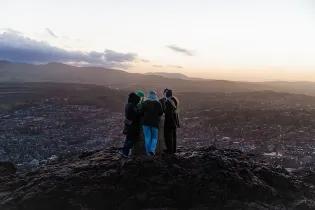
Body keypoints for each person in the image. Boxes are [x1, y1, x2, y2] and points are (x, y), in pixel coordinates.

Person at [141, 90, 163, 156]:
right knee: (154, 138)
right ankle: (152, 150)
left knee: (147, 137)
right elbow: (161, 113)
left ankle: (148, 153)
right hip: (155, 123)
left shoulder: (145, 102)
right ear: (155, 95)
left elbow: (141, 112)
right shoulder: (158, 103)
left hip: (145, 122)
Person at [122, 92, 141, 157]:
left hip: (128, 124)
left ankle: (124, 152)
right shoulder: (132, 106)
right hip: (133, 126)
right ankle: (125, 152)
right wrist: (140, 112)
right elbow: (135, 115)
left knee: (128, 139)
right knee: (132, 140)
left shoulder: (128, 104)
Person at [163, 89, 180, 154]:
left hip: (169, 122)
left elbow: (168, 113)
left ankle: (169, 150)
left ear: (166, 94)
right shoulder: (174, 100)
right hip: (175, 121)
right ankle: (173, 150)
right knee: (173, 136)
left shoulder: (168, 102)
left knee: (168, 136)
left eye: (165, 93)